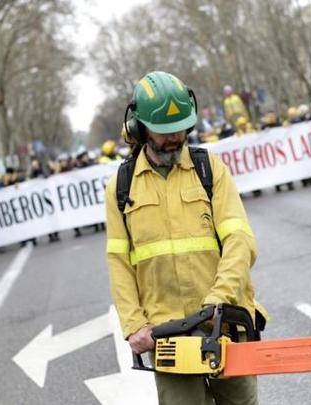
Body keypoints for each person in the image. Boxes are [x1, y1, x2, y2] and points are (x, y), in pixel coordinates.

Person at [106, 71, 262, 405]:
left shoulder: (211, 169)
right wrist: (134, 326)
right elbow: (119, 263)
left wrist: (218, 299)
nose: (176, 137)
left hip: (225, 323)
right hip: (167, 334)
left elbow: (240, 240)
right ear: (139, 127)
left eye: (182, 127)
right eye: (164, 131)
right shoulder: (120, 187)